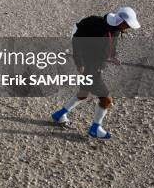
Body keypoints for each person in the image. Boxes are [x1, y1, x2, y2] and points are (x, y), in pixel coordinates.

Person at [51, 7, 141, 139]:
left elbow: (111, 45)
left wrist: (112, 56)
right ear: (121, 21)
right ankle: (95, 128)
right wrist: (79, 62)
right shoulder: (95, 24)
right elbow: (77, 40)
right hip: (90, 66)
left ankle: (59, 115)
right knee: (106, 100)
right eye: (127, 25)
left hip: (97, 64)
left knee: (84, 93)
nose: (127, 28)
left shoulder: (116, 30)